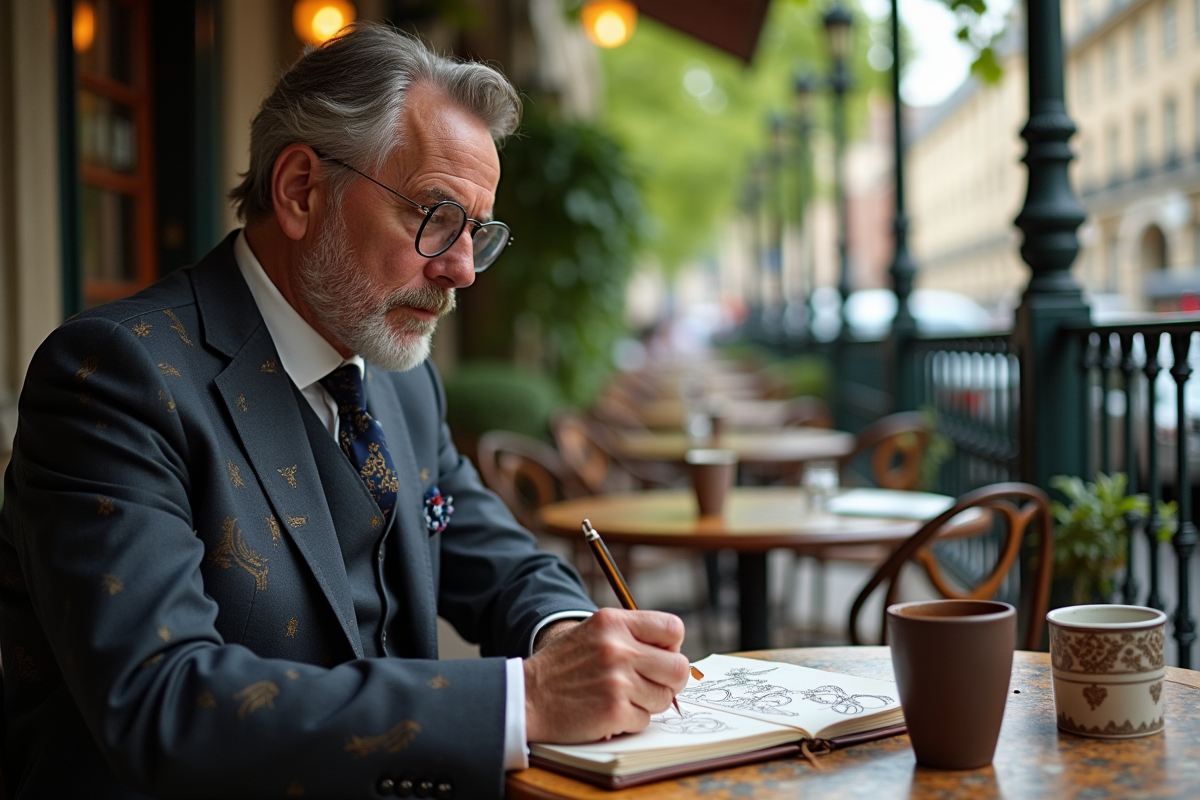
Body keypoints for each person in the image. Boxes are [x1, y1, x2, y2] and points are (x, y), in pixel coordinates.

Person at [0, 24, 689, 799]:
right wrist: (524, 700)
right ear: (301, 190)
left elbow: (497, 559)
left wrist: (570, 638)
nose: (461, 270)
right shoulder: (113, 376)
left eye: (477, 232)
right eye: (433, 216)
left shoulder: (399, 381)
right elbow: (164, 700)